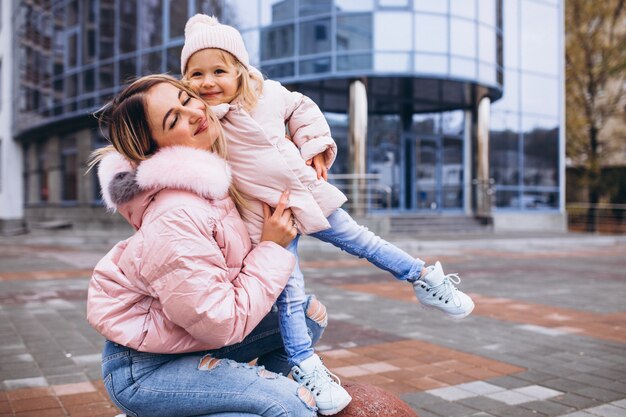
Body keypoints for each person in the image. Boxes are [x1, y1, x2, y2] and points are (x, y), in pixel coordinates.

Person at [178, 14, 476, 415]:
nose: (207, 81)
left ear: (240, 71)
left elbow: (303, 108)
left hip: (306, 192)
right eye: (196, 73)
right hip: (265, 221)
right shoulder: (200, 122)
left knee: (362, 239)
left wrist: (315, 144)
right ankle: (305, 366)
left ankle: (424, 278)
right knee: (290, 293)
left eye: (218, 70)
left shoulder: (268, 94)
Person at [86, 74, 326, 417]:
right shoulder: (176, 214)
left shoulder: (214, 182)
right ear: (155, 149)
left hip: (184, 340)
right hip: (145, 370)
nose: (195, 113)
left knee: (307, 316)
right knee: (292, 406)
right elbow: (220, 321)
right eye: (174, 119)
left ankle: (231, 397)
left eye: (186, 100)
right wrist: (272, 249)